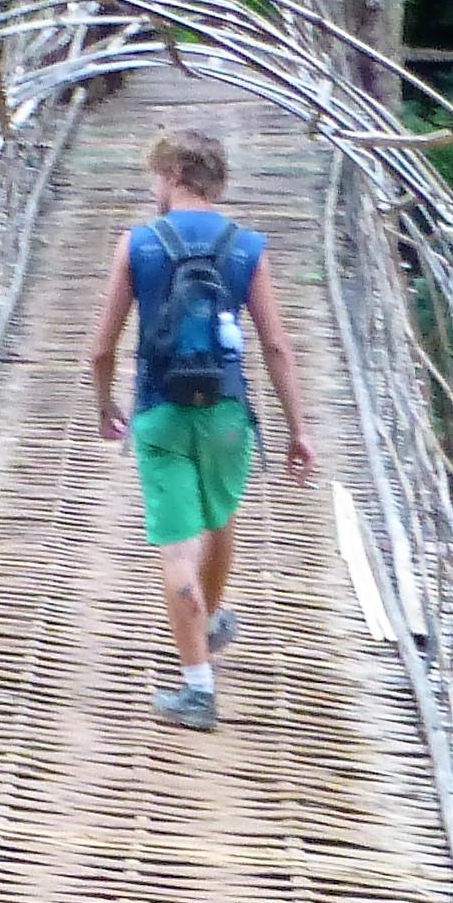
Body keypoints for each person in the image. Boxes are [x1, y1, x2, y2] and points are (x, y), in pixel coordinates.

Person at [84, 123, 315, 730]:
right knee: (220, 520)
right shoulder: (247, 247)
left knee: (176, 551)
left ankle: (197, 689)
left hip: (161, 411)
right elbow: (277, 347)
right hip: (228, 415)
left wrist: (105, 402)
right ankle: (209, 623)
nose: (153, 188)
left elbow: (101, 347)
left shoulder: (137, 244)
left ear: (176, 176)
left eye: (156, 177)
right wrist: (298, 430)